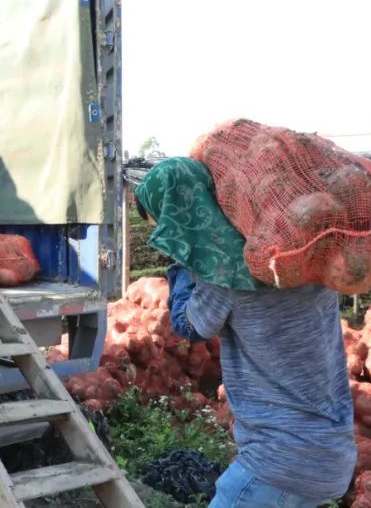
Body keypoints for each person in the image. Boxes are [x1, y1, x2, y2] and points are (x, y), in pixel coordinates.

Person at [135, 157, 355, 508]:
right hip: (331, 453)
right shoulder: (301, 253)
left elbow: (190, 325)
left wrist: (183, 266)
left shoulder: (227, 269)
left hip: (278, 461)